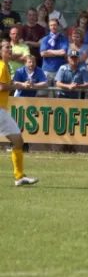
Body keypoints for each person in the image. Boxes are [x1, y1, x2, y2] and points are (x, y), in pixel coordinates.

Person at [0, 41, 38, 185]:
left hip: (2, 110)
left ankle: (19, 177)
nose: (9, 49)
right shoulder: (2, 66)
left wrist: (19, 85)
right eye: (6, 48)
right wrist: (18, 85)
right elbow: (1, 87)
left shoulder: (6, 66)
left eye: (10, 47)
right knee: (18, 141)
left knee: (18, 141)